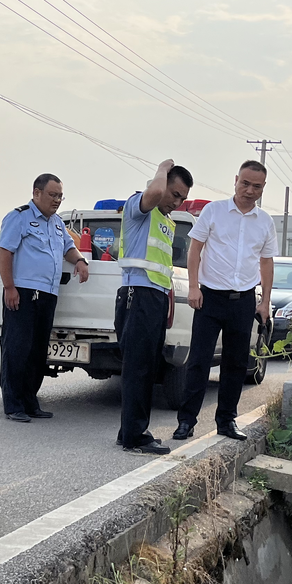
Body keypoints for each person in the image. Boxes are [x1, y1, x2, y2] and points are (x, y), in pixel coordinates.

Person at [173, 161, 277, 442]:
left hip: (243, 300)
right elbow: (195, 249)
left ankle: (227, 420)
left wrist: (264, 301)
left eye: (256, 186)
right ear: (236, 180)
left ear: (263, 188)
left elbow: (266, 263)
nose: (249, 190)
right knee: (199, 361)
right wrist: (194, 287)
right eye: (245, 183)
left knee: (235, 363)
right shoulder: (214, 211)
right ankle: (186, 421)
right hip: (210, 297)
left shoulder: (265, 221)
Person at [0, 173, 89, 422]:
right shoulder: (20, 217)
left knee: (38, 351)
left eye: (60, 196)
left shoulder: (57, 223)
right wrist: (9, 287)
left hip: (48, 293)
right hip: (23, 292)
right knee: (18, 348)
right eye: (52, 195)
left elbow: (68, 248)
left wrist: (79, 261)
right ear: (36, 193)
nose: (57, 200)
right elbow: (5, 251)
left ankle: (30, 402)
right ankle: (14, 404)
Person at [116, 160, 193, 454]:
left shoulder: (166, 221)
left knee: (147, 367)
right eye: (174, 194)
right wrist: (162, 167)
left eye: (182, 198)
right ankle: (135, 436)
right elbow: (156, 190)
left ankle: (131, 430)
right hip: (138, 294)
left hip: (156, 296)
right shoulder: (139, 207)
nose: (176, 202)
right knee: (137, 367)